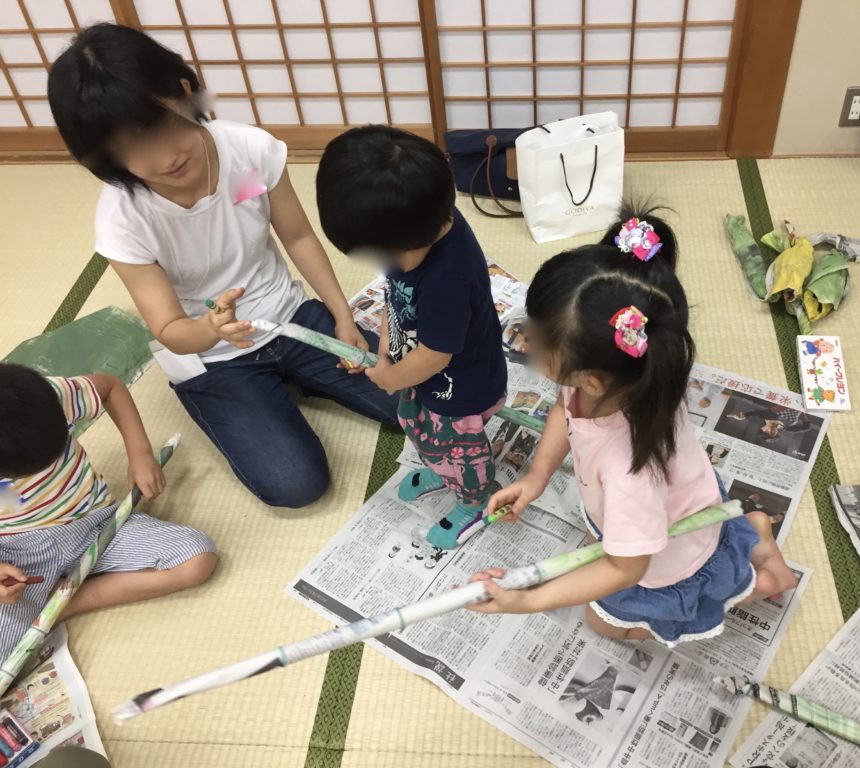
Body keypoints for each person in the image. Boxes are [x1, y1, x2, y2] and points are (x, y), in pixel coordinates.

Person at [47, 24, 397, 509]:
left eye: (162, 125)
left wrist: (342, 317)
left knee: (418, 398)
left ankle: (298, 377)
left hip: (288, 316)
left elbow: (297, 236)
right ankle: (264, 394)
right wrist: (211, 328)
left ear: (184, 92)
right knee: (296, 484)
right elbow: (170, 328)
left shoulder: (246, 153)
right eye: (131, 146)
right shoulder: (123, 219)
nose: (165, 156)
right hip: (211, 357)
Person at [468, 243, 796, 645]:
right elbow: (563, 408)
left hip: (675, 554)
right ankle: (754, 531)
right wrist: (536, 477)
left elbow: (626, 570)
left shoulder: (629, 474)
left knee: (603, 624)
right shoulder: (626, 379)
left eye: (536, 339)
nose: (526, 342)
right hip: (681, 502)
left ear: (592, 381)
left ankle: (754, 583)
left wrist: (529, 600)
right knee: (603, 549)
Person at [316, 125, 507, 549]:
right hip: (419, 372)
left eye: (386, 252)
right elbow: (394, 291)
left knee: (460, 449)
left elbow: (436, 355)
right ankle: (443, 471)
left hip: (461, 389)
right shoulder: (410, 232)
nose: (384, 261)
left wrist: (391, 377)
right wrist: (388, 338)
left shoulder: (448, 277)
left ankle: (475, 499)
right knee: (418, 427)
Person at [0, 364, 216, 660]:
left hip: (97, 523)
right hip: (19, 557)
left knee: (196, 559)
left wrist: (139, 454)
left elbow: (110, 387)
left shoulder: (42, 396)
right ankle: (48, 603)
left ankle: (60, 604)